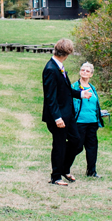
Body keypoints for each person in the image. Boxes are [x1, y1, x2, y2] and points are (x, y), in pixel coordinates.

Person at [41, 38, 85, 186]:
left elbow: (64, 90)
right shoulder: (50, 69)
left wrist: (80, 94)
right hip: (58, 116)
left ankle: (64, 168)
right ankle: (56, 177)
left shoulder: (59, 66)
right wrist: (57, 117)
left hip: (68, 114)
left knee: (77, 142)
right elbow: (50, 97)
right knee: (59, 145)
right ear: (67, 53)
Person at [71, 62, 104, 179]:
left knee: (92, 147)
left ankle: (91, 171)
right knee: (77, 146)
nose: (84, 72)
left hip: (92, 122)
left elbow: (95, 105)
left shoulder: (93, 88)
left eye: (87, 71)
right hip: (79, 122)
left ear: (91, 74)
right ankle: (63, 166)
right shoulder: (74, 87)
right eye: (83, 70)